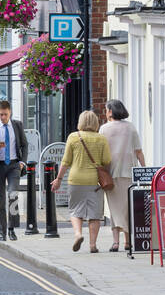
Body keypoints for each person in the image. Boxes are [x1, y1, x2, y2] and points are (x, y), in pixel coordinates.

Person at [50, 110, 112, 253]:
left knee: (75, 211)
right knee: (94, 214)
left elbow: (65, 161)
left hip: (75, 179)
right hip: (94, 182)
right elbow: (107, 161)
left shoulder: (73, 137)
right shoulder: (101, 139)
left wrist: (58, 179)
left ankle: (78, 234)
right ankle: (92, 245)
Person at [100, 99, 145, 252]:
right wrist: (145, 171)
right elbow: (138, 151)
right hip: (128, 173)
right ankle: (127, 242)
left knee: (113, 209)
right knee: (127, 208)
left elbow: (101, 153)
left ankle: (115, 243)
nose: (105, 113)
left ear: (111, 111)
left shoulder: (104, 129)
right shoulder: (131, 128)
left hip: (110, 174)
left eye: (106, 110)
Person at [0, 99, 28, 242]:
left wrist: (22, 162)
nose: (3, 117)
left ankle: (11, 229)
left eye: (5, 114)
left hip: (14, 165)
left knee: (13, 196)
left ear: (10, 113)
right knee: (0, 203)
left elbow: (24, 145)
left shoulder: (17, 125)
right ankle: (2, 232)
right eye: (1, 114)